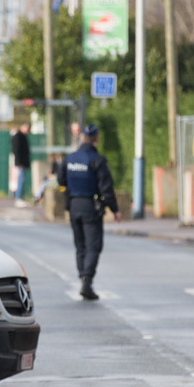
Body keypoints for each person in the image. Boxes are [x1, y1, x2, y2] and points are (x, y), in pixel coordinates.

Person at [57, 123, 120, 300]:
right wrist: (115, 209)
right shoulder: (97, 160)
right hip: (91, 207)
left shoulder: (70, 159)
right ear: (96, 139)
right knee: (93, 246)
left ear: (83, 137)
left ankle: (83, 277)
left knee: (80, 246)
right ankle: (87, 281)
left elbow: (61, 179)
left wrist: (68, 193)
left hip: (73, 205)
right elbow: (106, 187)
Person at [10, 123, 31, 202]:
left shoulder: (22, 136)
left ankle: (19, 196)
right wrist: (19, 162)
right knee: (21, 179)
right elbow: (16, 151)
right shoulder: (18, 137)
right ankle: (18, 197)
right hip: (21, 163)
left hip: (23, 162)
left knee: (22, 179)